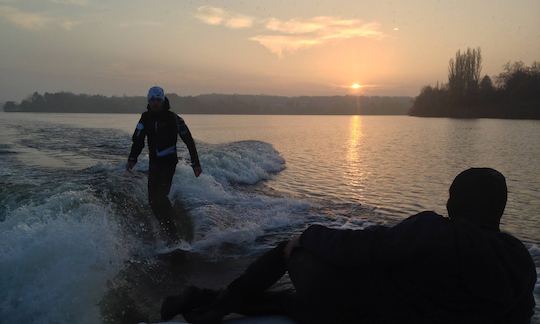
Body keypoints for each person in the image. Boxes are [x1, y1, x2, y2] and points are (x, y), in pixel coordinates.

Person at [160, 168, 537, 323]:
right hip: (374, 314)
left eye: (451, 195)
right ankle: (199, 298)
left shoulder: (438, 231)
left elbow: (365, 246)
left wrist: (307, 236)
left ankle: (212, 307)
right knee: (293, 303)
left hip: (365, 310)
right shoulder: (520, 261)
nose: (447, 202)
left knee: (294, 250)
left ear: (460, 202)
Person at [127, 86, 202, 243]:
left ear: (162, 101)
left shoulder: (173, 118)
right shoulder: (145, 118)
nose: (155, 103)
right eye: (152, 100)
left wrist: (195, 163)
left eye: (158, 100)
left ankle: (173, 234)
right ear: (149, 101)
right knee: (152, 201)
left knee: (160, 197)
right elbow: (138, 140)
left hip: (169, 163)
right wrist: (132, 159)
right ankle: (169, 225)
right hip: (154, 164)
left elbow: (188, 140)